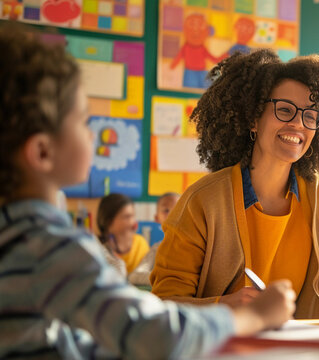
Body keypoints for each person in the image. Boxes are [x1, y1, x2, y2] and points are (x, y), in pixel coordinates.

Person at [0, 25, 295, 358]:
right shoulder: (46, 246)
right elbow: (155, 337)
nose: (93, 135)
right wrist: (251, 315)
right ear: (42, 152)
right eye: (84, 120)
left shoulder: (16, 234)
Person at [150, 48, 319, 318]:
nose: (298, 124)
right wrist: (225, 305)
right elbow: (164, 305)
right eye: (285, 110)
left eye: (310, 115)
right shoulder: (202, 201)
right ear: (252, 119)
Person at [129, 192, 180, 286]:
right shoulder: (157, 248)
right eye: (166, 210)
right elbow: (134, 276)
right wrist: (163, 278)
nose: (172, 214)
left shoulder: (196, 246)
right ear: (157, 218)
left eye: (177, 209)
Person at [97, 193, 150, 273]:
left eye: (133, 216)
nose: (133, 222)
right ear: (108, 222)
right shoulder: (97, 248)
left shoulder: (141, 244)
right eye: (127, 217)